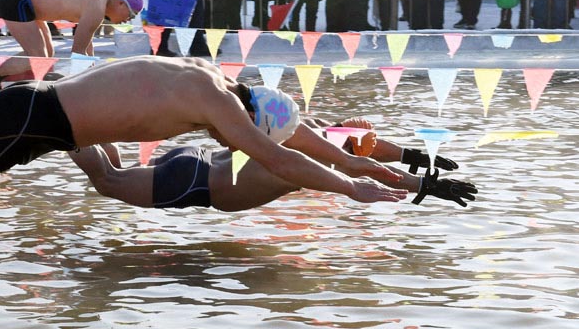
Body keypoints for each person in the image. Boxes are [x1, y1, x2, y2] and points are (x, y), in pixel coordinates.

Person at [0, 56, 408, 286]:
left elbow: (293, 143)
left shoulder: (208, 79)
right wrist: (353, 186)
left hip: (41, 120)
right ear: (248, 115)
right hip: (28, 123)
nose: (231, 142)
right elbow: (282, 156)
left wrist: (378, 168)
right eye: (240, 134)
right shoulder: (216, 104)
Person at [69, 115, 477, 211]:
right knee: (106, 180)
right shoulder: (305, 165)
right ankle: (58, 125)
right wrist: (422, 183)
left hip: (201, 160)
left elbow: (363, 154)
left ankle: (84, 121)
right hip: (195, 184)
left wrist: (416, 160)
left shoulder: (303, 128)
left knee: (112, 172)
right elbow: (364, 168)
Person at [0, 0, 144, 97]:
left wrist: (91, 75)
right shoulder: (97, 6)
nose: (128, 20)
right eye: (131, 14)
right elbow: (79, 51)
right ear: (121, 3)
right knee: (37, 57)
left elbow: (87, 47)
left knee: (47, 55)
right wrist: (80, 90)